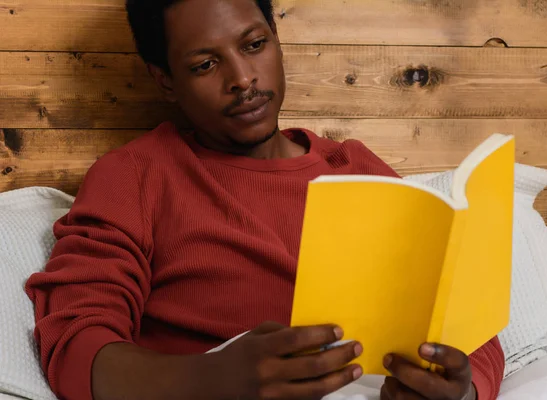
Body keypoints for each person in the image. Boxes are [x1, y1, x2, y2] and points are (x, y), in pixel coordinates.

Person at [25, 0, 505, 399]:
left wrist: (458, 390)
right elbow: (75, 344)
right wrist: (212, 379)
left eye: (254, 45)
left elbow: (468, 330)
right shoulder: (136, 175)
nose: (242, 78)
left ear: (276, 40)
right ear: (166, 80)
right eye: (204, 65)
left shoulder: (353, 166)